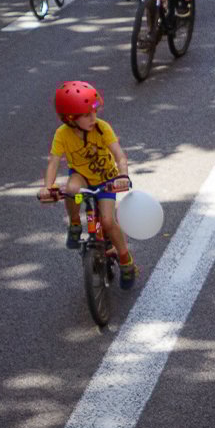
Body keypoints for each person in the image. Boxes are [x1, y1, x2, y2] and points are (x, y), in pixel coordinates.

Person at [42, 80, 139, 288]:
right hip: (82, 178)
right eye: (86, 115)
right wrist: (47, 187)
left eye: (94, 112)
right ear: (70, 118)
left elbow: (120, 155)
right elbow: (53, 161)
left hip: (106, 181)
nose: (93, 118)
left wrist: (122, 175)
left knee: (107, 221)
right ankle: (75, 222)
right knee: (72, 191)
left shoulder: (102, 128)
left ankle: (125, 260)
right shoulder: (62, 134)